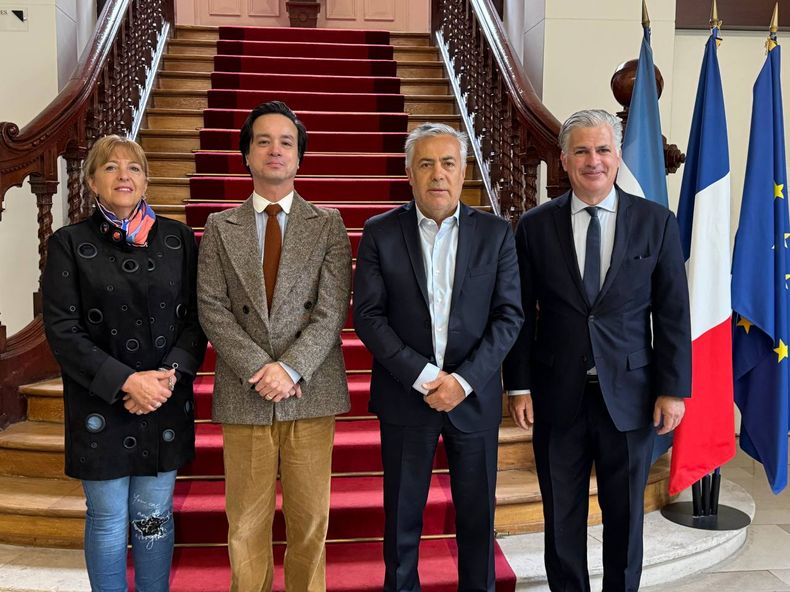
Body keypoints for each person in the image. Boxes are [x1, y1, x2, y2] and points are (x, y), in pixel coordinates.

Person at [503, 109, 691, 592]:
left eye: (603, 149)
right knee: (561, 515)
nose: (594, 160)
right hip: (556, 394)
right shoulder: (534, 225)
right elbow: (520, 313)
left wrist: (673, 389)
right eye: (582, 150)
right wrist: (518, 384)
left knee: (625, 516)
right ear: (563, 159)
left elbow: (672, 313)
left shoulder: (656, 223)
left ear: (618, 155)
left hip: (630, 397)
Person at [353, 122, 523, 592]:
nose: (438, 174)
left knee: (476, 522)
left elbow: (509, 316)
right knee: (403, 524)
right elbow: (368, 317)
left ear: (463, 170)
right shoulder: (380, 232)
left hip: (474, 400)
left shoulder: (495, 233)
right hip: (407, 400)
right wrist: (426, 377)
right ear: (409, 172)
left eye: (448, 163)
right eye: (425, 163)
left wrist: (462, 382)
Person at [197, 101, 352, 592]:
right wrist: (261, 368)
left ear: (300, 157)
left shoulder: (328, 223)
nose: (275, 150)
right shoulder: (220, 226)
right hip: (246, 392)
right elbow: (212, 308)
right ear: (246, 155)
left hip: (310, 391)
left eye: (286, 141)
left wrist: (290, 369)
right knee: (245, 525)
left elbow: (331, 311)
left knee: (310, 525)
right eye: (263, 140)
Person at [42, 135, 206, 591]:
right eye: (110, 167)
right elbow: (62, 330)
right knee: (109, 518)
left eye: (133, 168)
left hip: (165, 399)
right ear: (92, 181)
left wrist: (164, 379)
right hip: (100, 403)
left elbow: (198, 318)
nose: (123, 176)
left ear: (147, 179)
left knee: (153, 516)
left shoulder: (178, 239)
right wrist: (127, 382)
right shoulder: (68, 243)